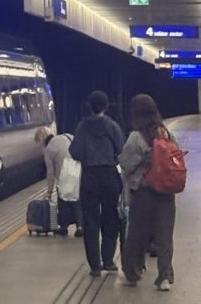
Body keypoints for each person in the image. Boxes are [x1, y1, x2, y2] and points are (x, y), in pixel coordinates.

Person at [117, 94, 176, 291]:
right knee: (164, 235)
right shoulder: (165, 132)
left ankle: (132, 273)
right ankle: (165, 277)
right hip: (166, 191)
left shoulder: (136, 136)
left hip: (144, 192)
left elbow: (125, 163)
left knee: (136, 234)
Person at [69, 90, 125, 276]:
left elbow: (75, 152)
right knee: (111, 217)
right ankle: (108, 260)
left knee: (90, 220)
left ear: (89, 106)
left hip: (90, 177)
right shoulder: (113, 126)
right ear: (106, 106)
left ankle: (94, 266)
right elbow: (121, 149)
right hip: (109, 176)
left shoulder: (81, 127)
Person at [34, 126, 83, 237]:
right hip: (79, 171)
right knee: (78, 200)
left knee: (63, 201)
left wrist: (49, 191)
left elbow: (50, 173)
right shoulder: (67, 136)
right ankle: (80, 226)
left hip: (65, 175)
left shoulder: (49, 149)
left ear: (41, 139)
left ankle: (64, 227)